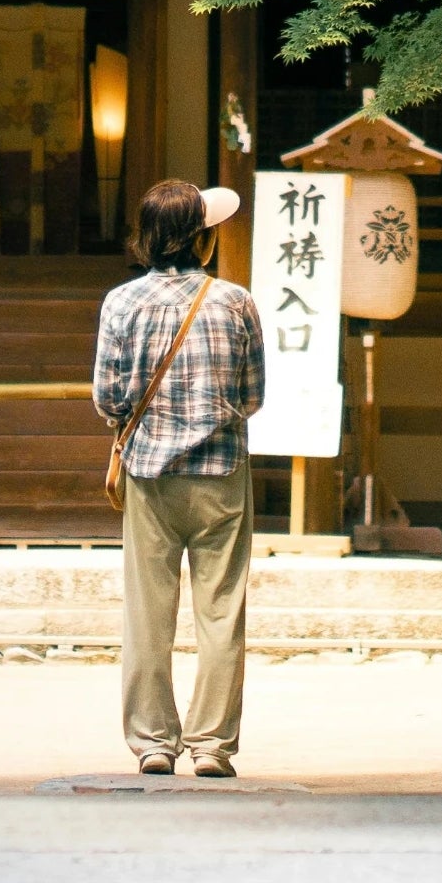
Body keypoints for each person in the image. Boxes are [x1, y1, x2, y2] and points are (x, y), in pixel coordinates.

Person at [93, 179, 265, 779]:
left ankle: (153, 742)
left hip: (149, 475)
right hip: (220, 473)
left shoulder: (120, 303)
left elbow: (108, 398)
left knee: (148, 611)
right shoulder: (235, 302)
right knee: (221, 612)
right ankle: (213, 745)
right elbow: (253, 396)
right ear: (202, 240)